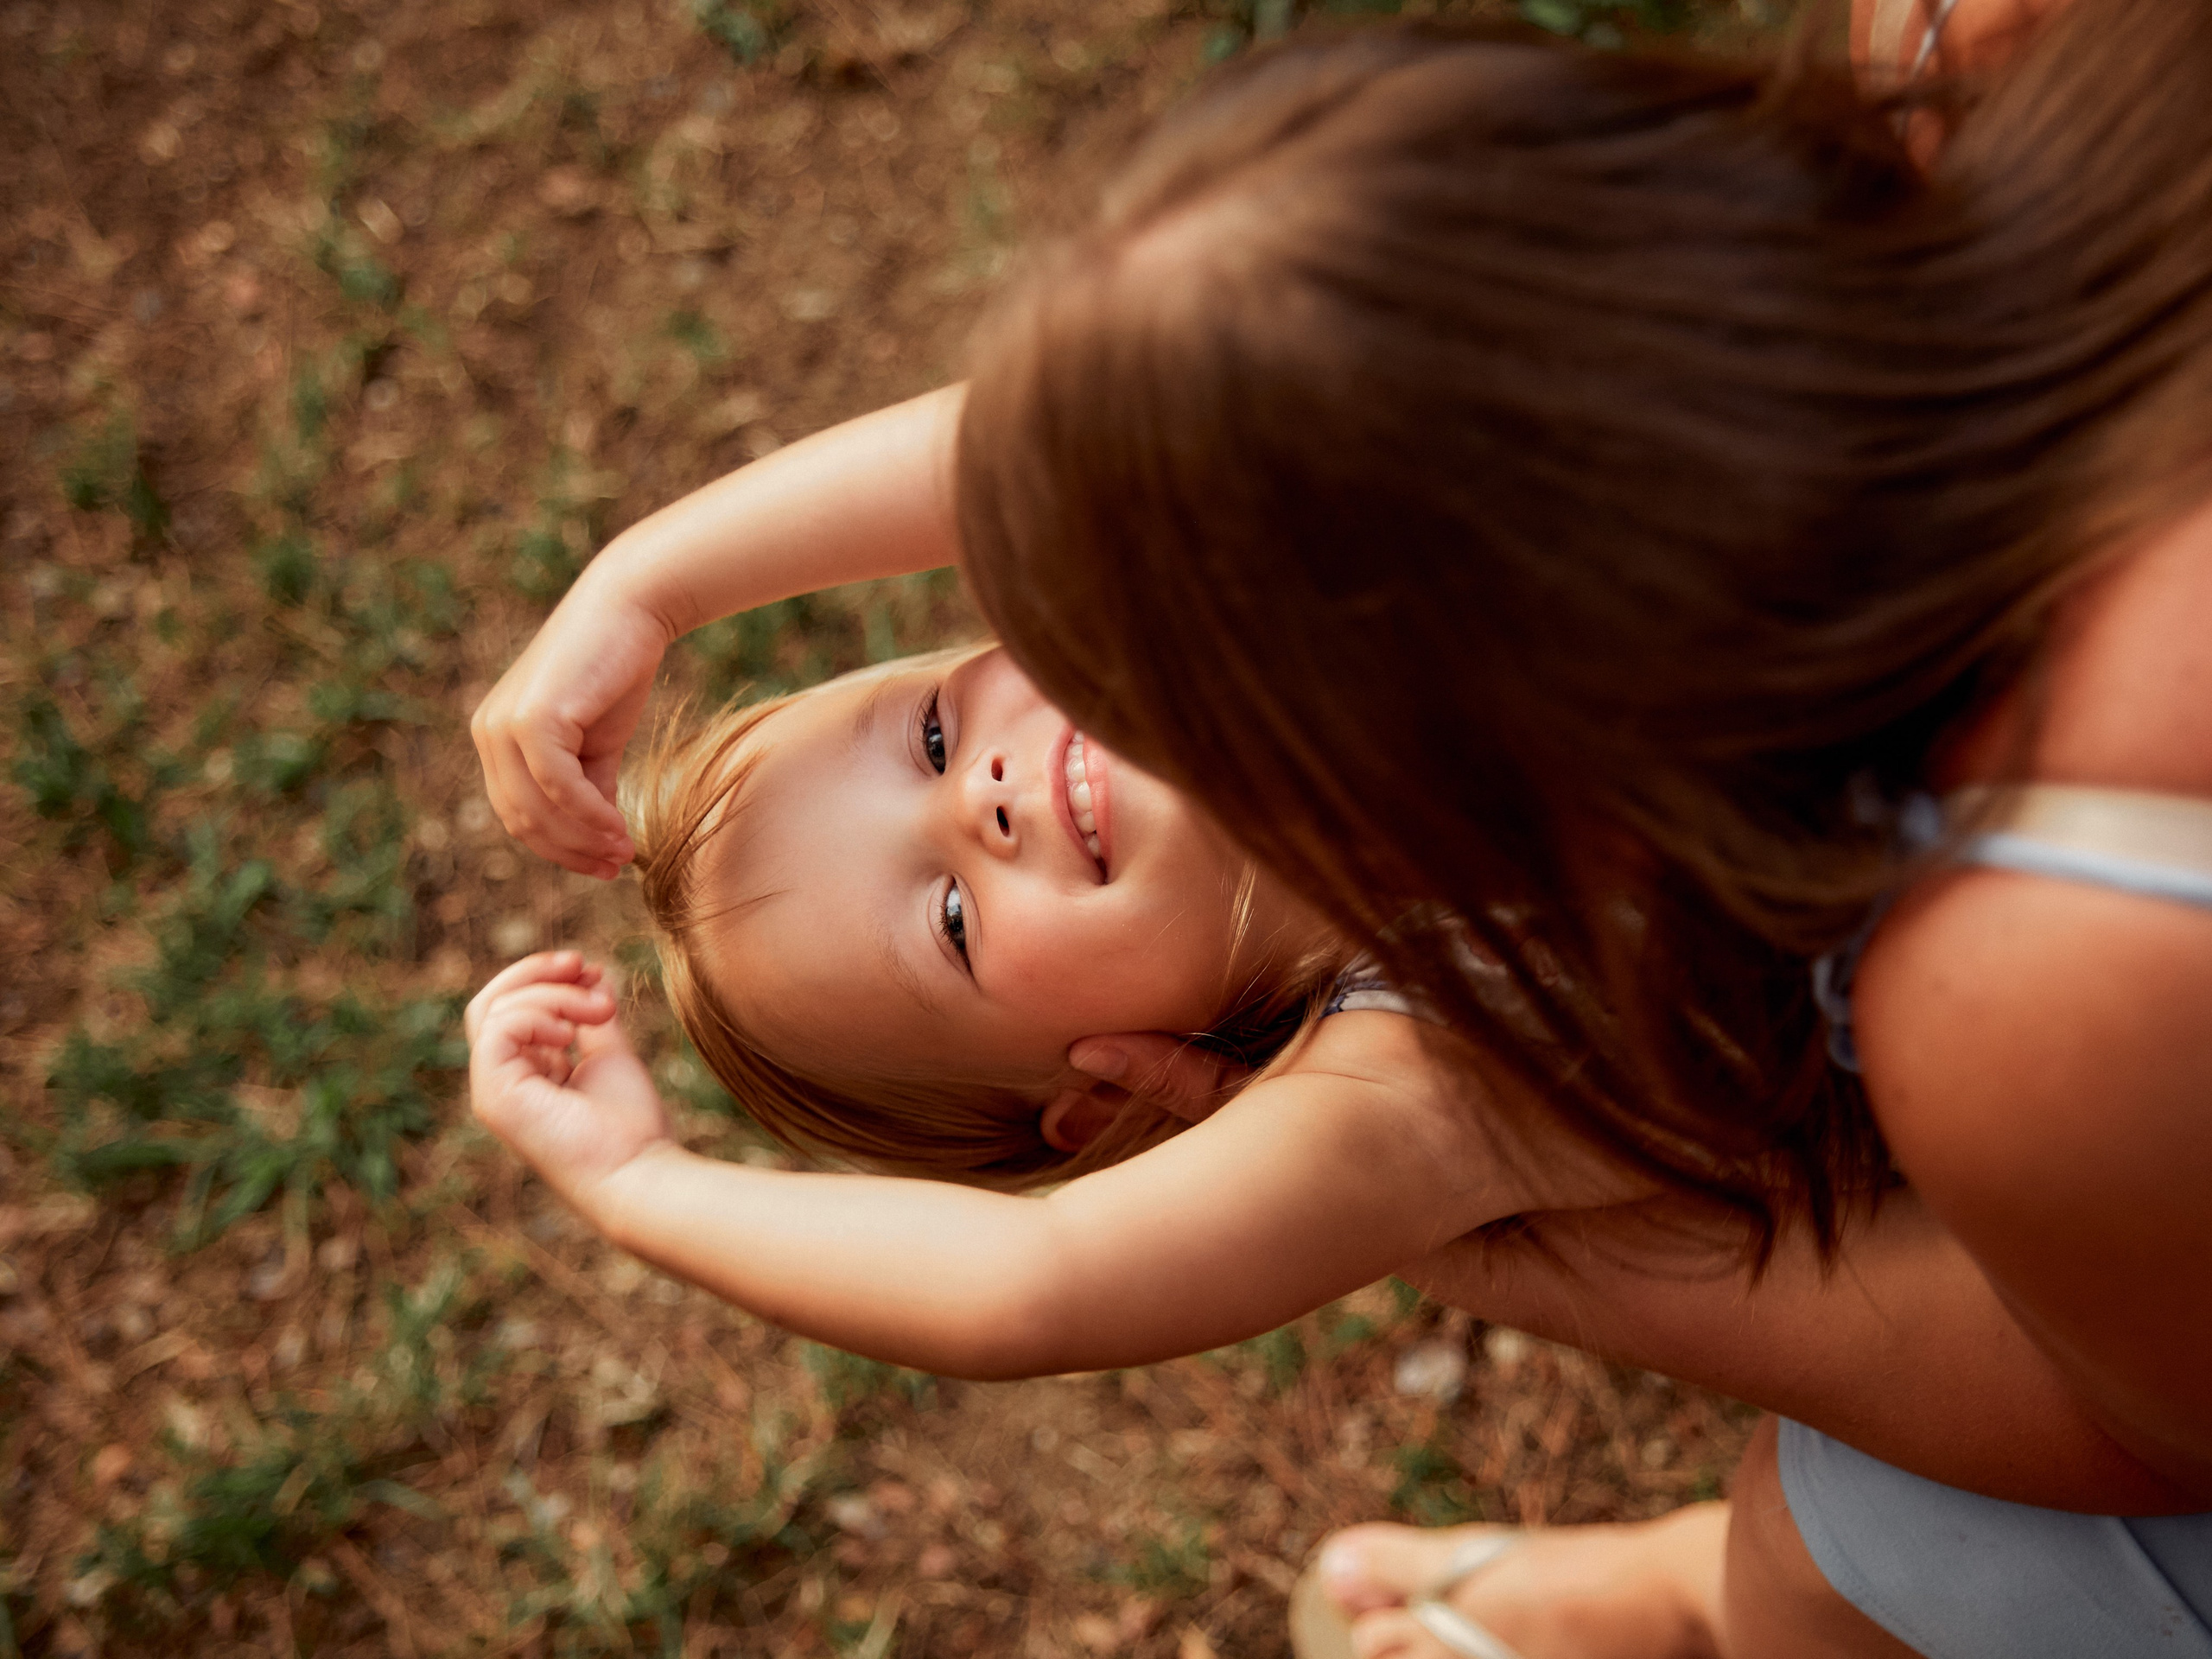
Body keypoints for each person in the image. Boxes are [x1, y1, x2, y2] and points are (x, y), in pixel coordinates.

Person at [473, 0, 2212, 1650]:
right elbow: (1027, 1288)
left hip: (2095, 1263)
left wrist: (655, 575)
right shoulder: (1428, 1071)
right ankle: (1704, 1600)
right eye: (946, 917)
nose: (982, 793)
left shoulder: (1292, 573)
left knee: (1833, 1543)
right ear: (1103, 1085)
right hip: (2081, 1287)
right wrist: (638, 1185)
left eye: (934, 730)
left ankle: (1700, 1595)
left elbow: (1058, 437)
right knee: (1825, 1561)